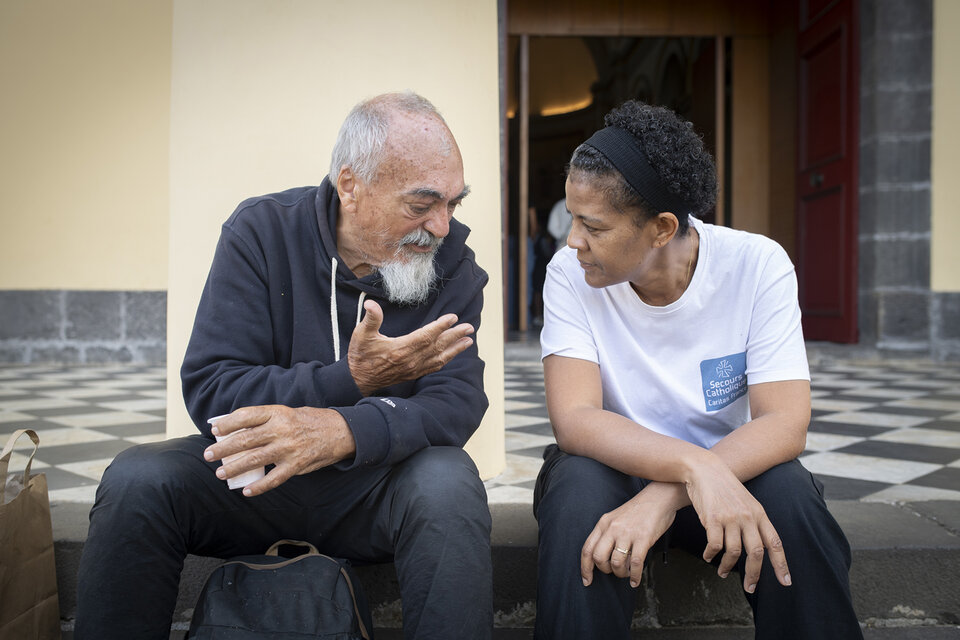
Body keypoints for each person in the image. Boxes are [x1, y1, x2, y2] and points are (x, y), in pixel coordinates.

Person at [75, 92, 493, 640]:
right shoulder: (261, 232)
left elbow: (456, 402)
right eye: (421, 205)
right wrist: (351, 381)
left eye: (453, 204)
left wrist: (341, 430)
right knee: (137, 479)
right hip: (254, 485)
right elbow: (213, 387)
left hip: (372, 489)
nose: (440, 226)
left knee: (449, 482)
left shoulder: (454, 264)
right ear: (350, 185)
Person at [533, 101, 862, 639]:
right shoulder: (569, 273)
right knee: (577, 497)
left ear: (662, 228)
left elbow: (784, 422)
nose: (573, 241)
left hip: (728, 472)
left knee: (792, 500)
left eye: (592, 225)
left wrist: (681, 483)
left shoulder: (757, 265)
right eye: (572, 218)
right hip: (615, 469)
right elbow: (575, 418)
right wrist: (693, 467)